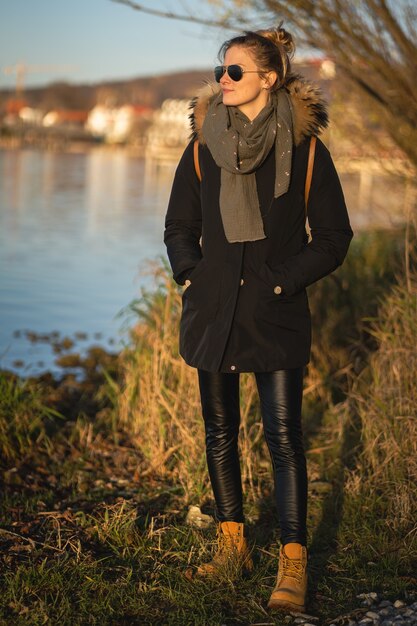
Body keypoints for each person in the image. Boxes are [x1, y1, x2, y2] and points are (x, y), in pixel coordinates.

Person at [164, 26, 353, 613]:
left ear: (269, 79)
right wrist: (193, 274)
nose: (224, 79)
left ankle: (293, 562)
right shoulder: (201, 148)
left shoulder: (308, 152)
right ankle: (232, 543)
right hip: (213, 311)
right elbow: (178, 228)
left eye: (236, 71)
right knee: (220, 434)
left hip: (275, 313)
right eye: (222, 69)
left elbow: (333, 239)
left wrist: (281, 281)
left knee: (283, 435)